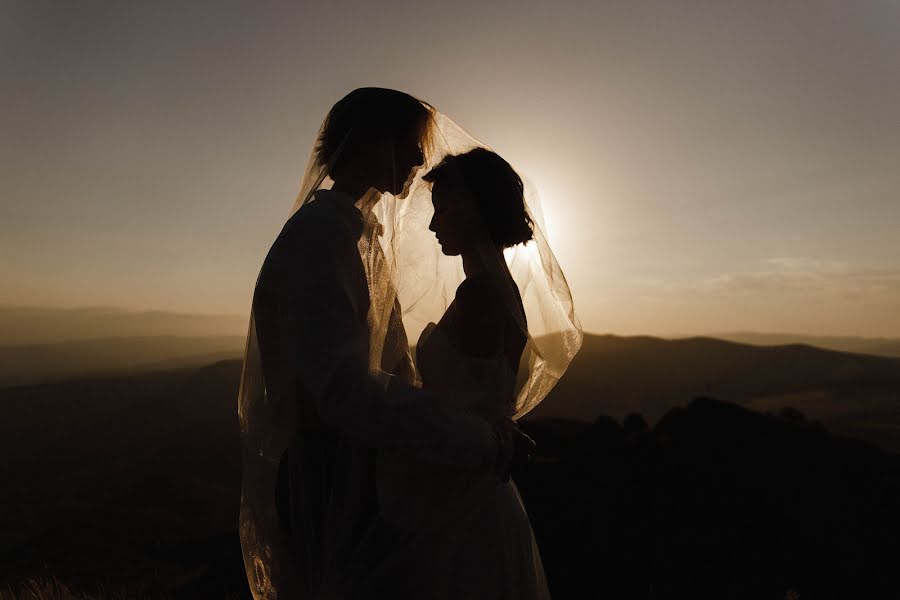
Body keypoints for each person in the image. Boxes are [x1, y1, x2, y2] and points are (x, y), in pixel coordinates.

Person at [238, 88, 526, 600]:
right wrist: (476, 438)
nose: (420, 159)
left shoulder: (354, 236)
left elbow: (393, 374)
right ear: (373, 141)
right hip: (329, 481)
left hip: (373, 484)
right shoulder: (320, 236)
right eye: (413, 144)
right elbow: (341, 390)